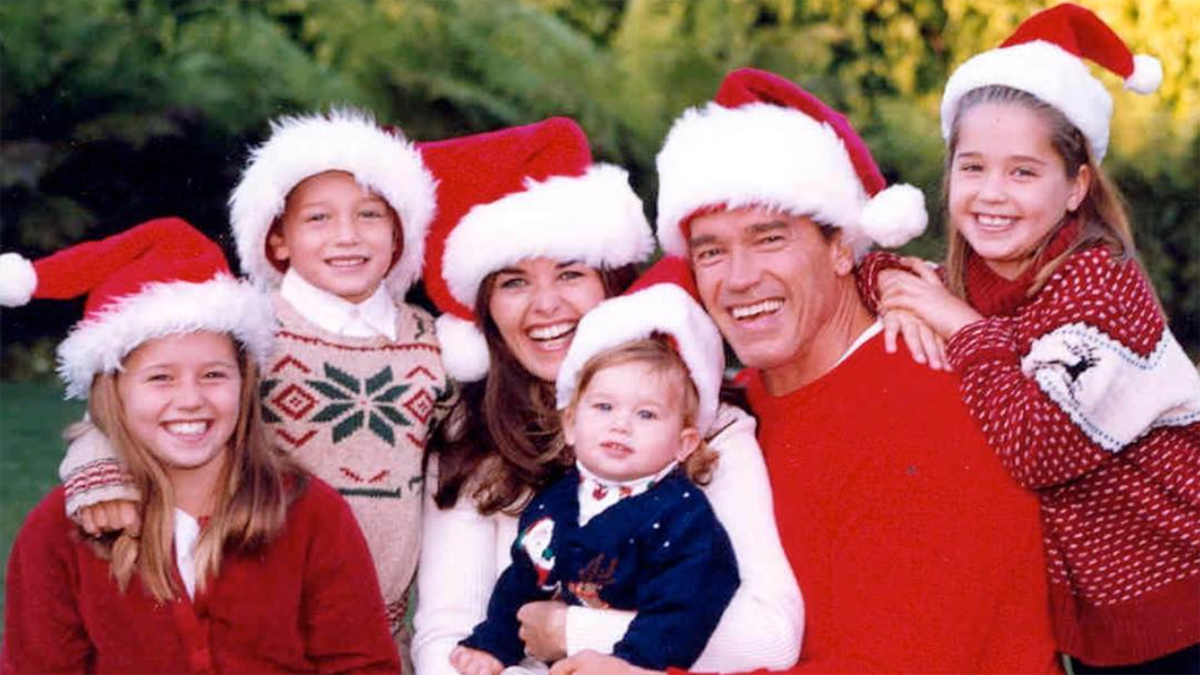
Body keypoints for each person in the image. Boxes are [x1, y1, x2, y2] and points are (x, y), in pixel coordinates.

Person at [552, 67, 1062, 675]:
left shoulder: (927, 403)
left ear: (841, 247)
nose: (739, 278)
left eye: (770, 239)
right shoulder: (729, 413)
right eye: (711, 250)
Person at [854, 6, 1200, 673]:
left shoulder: (1099, 285)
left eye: (1022, 172)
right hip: (1104, 618)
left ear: (1075, 188)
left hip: (1177, 593)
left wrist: (958, 326)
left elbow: (1037, 445)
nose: (992, 194)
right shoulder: (982, 283)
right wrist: (893, 285)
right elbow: (874, 277)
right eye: (972, 167)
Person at [52, 108, 453, 672]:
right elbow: (121, 417)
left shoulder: (435, 345)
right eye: (318, 218)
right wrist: (100, 473)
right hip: (259, 614)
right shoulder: (253, 334)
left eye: (370, 215)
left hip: (378, 628)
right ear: (278, 239)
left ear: (400, 234)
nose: (347, 236)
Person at [413, 118, 802, 674]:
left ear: (610, 285)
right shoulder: (470, 439)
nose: (546, 305)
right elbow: (446, 642)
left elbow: (769, 636)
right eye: (514, 282)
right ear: (487, 311)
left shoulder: (704, 426)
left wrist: (569, 631)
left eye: (570, 274)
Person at [0, 218, 398, 673]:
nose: (190, 399)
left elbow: (362, 665)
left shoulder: (309, 512)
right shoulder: (60, 528)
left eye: (213, 375)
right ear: (114, 392)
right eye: (160, 378)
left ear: (245, 383)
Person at [452, 276, 741, 675]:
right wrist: (494, 643)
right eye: (604, 407)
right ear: (571, 424)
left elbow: (685, 610)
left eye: (646, 414)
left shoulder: (682, 518)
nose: (620, 425)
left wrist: (629, 664)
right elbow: (524, 578)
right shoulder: (559, 499)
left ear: (684, 443)